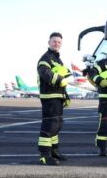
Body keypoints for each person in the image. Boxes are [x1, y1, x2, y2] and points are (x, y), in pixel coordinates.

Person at [37, 32, 70, 165]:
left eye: (59, 42)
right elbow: (45, 73)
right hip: (49, 97)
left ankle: (54, 151)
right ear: (49, 42)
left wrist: (65, 96)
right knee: (49, 125)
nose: (56, 43)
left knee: (56, 126)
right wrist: (59, 79)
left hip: (57, 97)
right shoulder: (45, 58)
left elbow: (63, 80)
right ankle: (44, 155)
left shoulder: (58, 59)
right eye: (54, 41)